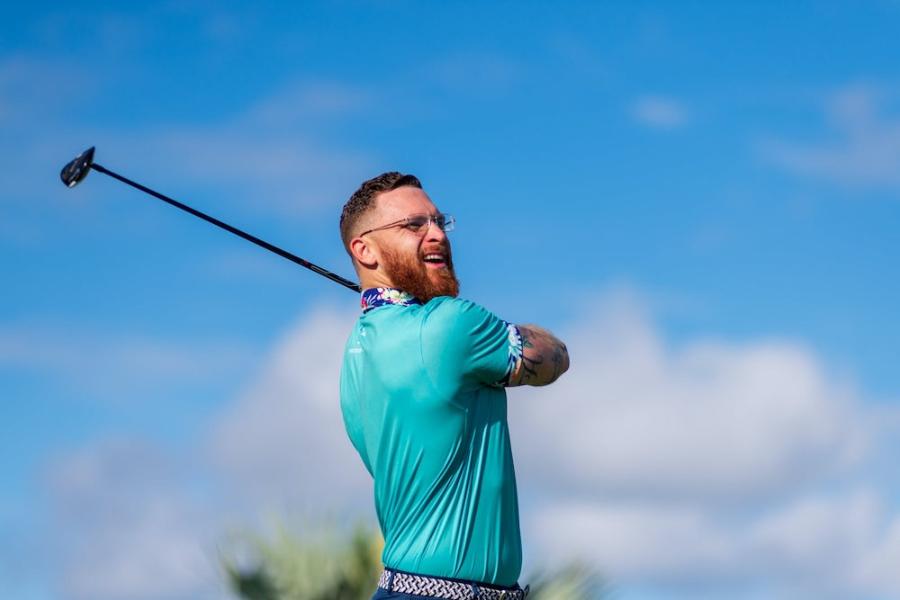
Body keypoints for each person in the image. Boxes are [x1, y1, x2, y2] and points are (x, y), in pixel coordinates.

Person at [339, 172, 569, 600]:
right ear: (364, 250)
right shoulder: (452, 323)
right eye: (413, 225)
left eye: (440, 222)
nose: (437, 235)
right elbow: (556, 358)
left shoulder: (356, 350)